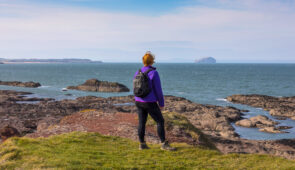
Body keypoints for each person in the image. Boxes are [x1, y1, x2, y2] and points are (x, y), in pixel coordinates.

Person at [133, 51, 176, 151]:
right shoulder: (153, 73)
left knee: (141, 122)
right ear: (152, 62)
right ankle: (164, 144)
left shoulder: (137, 72)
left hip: (138, 101)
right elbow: (158, 90)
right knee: (160, 121)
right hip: (150, 102)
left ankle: (142, 144)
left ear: (143, 61)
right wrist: (161, 103)